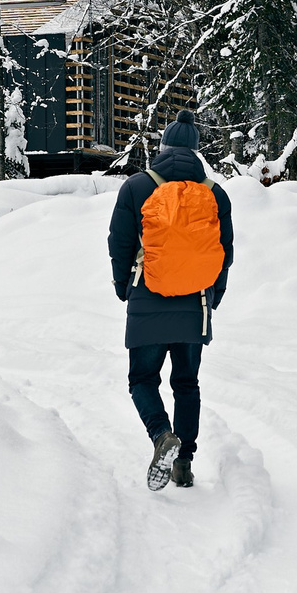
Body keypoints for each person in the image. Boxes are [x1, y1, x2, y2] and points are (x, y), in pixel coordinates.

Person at [107, 110, 234, 490]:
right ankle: (184, 464)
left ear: (162, 148)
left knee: (142, 378)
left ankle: (162, 435)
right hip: (195, 303)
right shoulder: (215, 193)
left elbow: (120, 243)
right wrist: (213, 297)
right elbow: (224, 251)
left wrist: (123, 286)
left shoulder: (136, 187)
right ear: (197, 152)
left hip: (148, 296)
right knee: (186, 383)